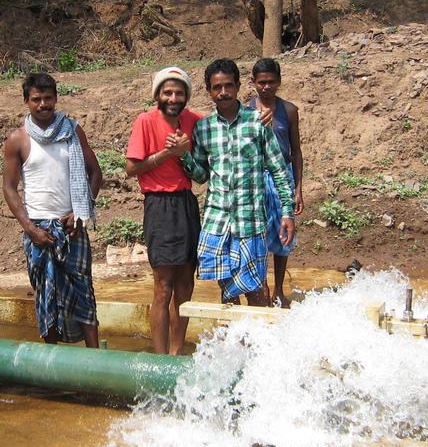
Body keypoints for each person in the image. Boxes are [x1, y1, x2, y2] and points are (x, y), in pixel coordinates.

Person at [182, 58, 295, 307]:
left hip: (250, 222)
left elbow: (278, 169)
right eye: (217, 87)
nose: (223, 93)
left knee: (256, 292)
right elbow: (201, 175)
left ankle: (260, 343)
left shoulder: (257, 122)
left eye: (228, 86)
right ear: (209, 90)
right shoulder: (203, 128)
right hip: (218, 222)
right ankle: (235, 345)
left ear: (238, 86)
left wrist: (287, 212)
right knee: (228, 295)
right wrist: (184, 156)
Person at [3, 72, 102, 347]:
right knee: (47, 296)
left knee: (84, 292)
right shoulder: (18, 140)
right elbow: (10, 188)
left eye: (48, 98)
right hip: (39, 230)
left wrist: (80, 213)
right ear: (26, 102)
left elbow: (95, 173)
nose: (43, 104)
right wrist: (30, 229)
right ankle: (53, 368)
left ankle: (96, 361)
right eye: (36, 99)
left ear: (56, 99)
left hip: (72, 227)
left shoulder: (72, 130)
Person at [125, 66, 201, 355]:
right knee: (163, 286)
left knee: (185, 284)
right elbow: (131, 168)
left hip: (186, 204)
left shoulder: (194, 121)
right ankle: (159, 357)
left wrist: (261, 113)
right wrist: (168, 154)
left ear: (186, 97)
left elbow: (227, 118)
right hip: (158, 205)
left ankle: (177, 351)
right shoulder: (145, 121)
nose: (173, 97)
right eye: (167, 92)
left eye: (179, 92)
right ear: (157, 94)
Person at [249, 58, 304, 308]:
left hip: (282, 177)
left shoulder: (289, 110)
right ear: (253, 84)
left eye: (271, 82)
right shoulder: (246, 110)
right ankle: (261, 286)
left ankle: (279, 289)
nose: (266, 87)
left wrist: (298, 189)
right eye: (261, 82)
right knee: (257, 233)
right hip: (255, 179)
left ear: (279, 82)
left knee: (284, 235)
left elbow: (296, 151)